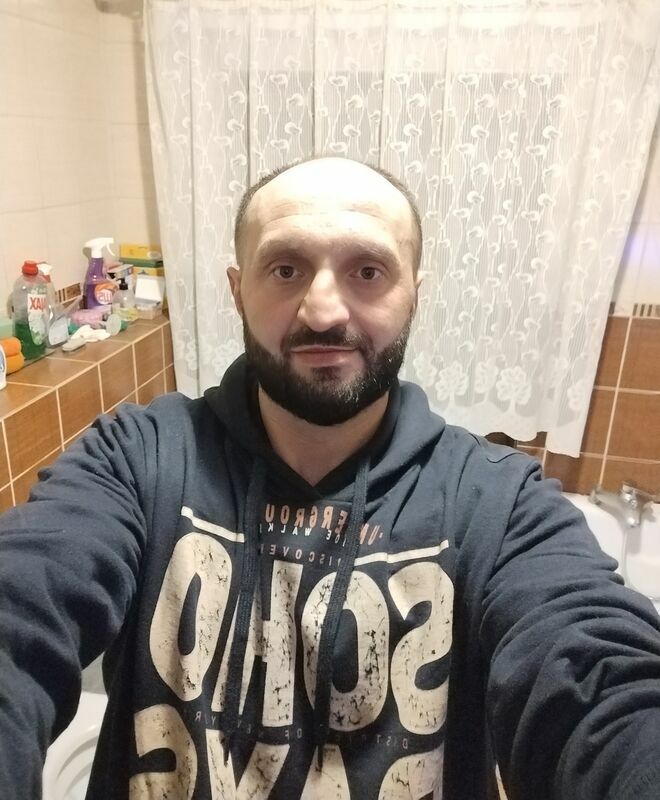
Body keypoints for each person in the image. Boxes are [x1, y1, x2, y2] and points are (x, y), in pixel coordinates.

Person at [1, 156, 659, 800]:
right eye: (285, 269)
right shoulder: (136, 459)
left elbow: (595, 682)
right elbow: (21, 607)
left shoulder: (499, 502)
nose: (322, 312)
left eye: (367, 272)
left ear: (415, 296)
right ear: (237, 290)